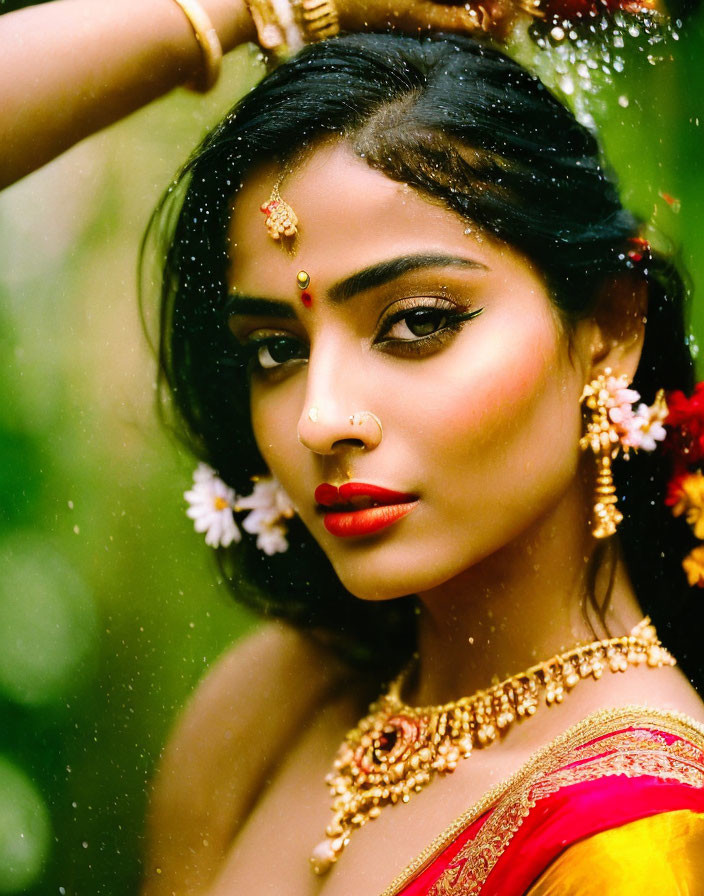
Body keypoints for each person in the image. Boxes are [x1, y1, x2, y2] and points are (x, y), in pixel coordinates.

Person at [3, 3, 704, 895]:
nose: (318, 417)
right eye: (276, 350)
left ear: (609, 325)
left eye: (416, 322)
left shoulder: (639, 843)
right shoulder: (275, 702)